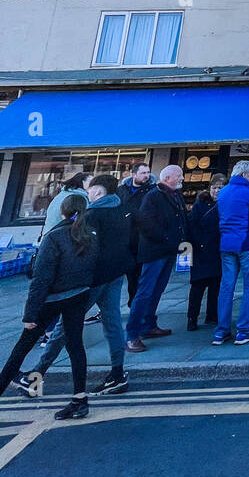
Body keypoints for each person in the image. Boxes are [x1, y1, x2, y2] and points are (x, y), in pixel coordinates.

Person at [20, 174, 131, 397]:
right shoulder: (123, 210)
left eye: (90, 189)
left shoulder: (91, 215)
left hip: (91, 279)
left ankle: (37, 373)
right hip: (116, 274)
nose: (88, 193)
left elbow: (80, 249)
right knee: (113, 324)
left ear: (98, 192)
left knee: (65, 326)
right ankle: (117, 374)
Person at [0, 193, 98, 418]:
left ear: (63, 211)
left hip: (52, 299)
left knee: (22, 348)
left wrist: (30, 314)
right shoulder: (91, 234)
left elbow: (41, 279)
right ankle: (80, 400)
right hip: (79, 295)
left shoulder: (53, 237)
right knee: (75, 347)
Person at [126, 165, 187, 352]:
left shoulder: (175, 195)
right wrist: (167, 238)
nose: (182, 179)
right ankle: (132, 335)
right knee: (145, 292)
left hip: (168, 250)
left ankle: (148, 325)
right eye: (179, 176)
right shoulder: (153, 196)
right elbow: (145, 223)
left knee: (157, 290)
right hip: (155, 252)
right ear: (168, 177)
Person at [211, 161, 249, 347]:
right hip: (247, 242)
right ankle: (244, 330)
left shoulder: (224, 191)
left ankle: (221, 331)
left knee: (226, 287)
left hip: (226, 244)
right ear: (245, 174)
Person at [187, 174, 227, 330]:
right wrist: (198, 243)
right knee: (197, 286)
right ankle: (192, 317)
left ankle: (212, 315)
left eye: (220, 188)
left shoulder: (224, 204)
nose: (216, 191)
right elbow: (192, 225)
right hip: (201, 250)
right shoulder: (200, 204)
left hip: (217, 250)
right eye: (214, 187)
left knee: (215, 286)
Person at [117, 161, 156, 305]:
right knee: (130, 275)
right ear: (133, 174)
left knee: (142, 276)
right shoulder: (121, 190)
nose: (146, 176)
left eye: (148, 172)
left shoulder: (152, 190)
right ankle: (134, 302)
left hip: (143, 239)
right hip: (125, 239)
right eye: (143, 173)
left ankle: (138, 304)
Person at [41, 171, 91, 236]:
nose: (94, 185)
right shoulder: (79, 198)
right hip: (62, 236)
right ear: (83, 182)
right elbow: (82, 220)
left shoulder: (62, 194)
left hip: (49, 233)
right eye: (91, 182)